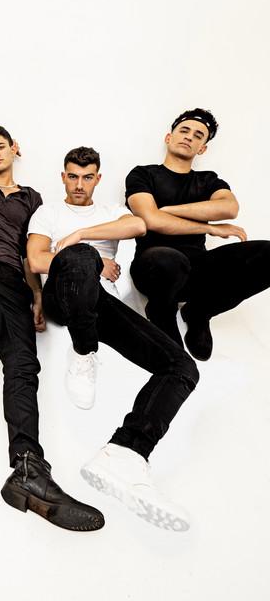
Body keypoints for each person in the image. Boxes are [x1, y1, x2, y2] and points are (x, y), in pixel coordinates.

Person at [0, 125, 104, 532]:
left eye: (1, 147)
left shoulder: (32, 198)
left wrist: (38, 295)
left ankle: (28, 468)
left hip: (12, 281)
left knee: (23, 366)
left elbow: (31, 255)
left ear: (14, 150)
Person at [27, 146, 199, 531]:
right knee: (80, 257)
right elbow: (37, 260)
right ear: (63, 177)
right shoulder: (47, 213)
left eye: (87, 177)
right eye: (72, 176)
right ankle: (83, 350)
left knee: (182, 367)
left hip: (100, 303)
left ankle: (125, 454)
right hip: (62, 297)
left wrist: (82, 234)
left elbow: (138, 226)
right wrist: (90, 257)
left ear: (98, 178)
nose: (79, 184)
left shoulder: (109, 211)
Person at [126, 108, 270, 360]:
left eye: (198, 135)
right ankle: (162, 311)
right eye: (184, 130)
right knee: (170, 258)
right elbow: (151, 220)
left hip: (196, 270)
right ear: (169, 137)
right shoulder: (143, 174)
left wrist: (168, 210)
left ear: (202, 149)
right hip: (153, 268)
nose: (189, 137)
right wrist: (210, 227)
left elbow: (230, 208)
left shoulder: (208, 180)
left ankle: (199, 311)